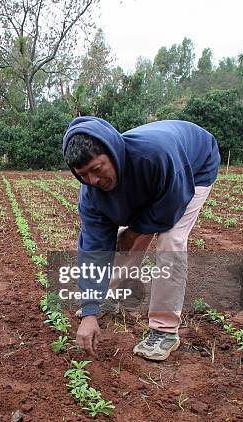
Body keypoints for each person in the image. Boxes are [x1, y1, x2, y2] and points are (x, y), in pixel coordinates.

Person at [62, 117, 220, 361]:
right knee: (123, 240)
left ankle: (165, 330)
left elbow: (169, 208)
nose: (93, 180)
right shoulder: (92, 195)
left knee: (171, 239)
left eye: (97, 169)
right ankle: (107, 298)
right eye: (83, 175)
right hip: (152, 179)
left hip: (192, 168)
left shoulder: (154, 156)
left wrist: (134, 231)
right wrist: (89, 311)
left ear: (113, 153)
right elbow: (94, 248)